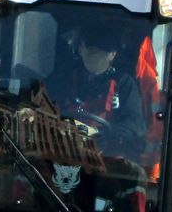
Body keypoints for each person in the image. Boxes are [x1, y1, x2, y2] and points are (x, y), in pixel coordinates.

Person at [48, 25, 146, 161]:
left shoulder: (123, 83)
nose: (96, 58)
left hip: (108, 160)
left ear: (113, 54)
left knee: (135, 173)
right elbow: (44, 109)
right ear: (81, 50)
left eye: (103, 53)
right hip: (64, 153)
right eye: (92, 51)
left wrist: (109, 133)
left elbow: (136, 125)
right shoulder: (64, 78)